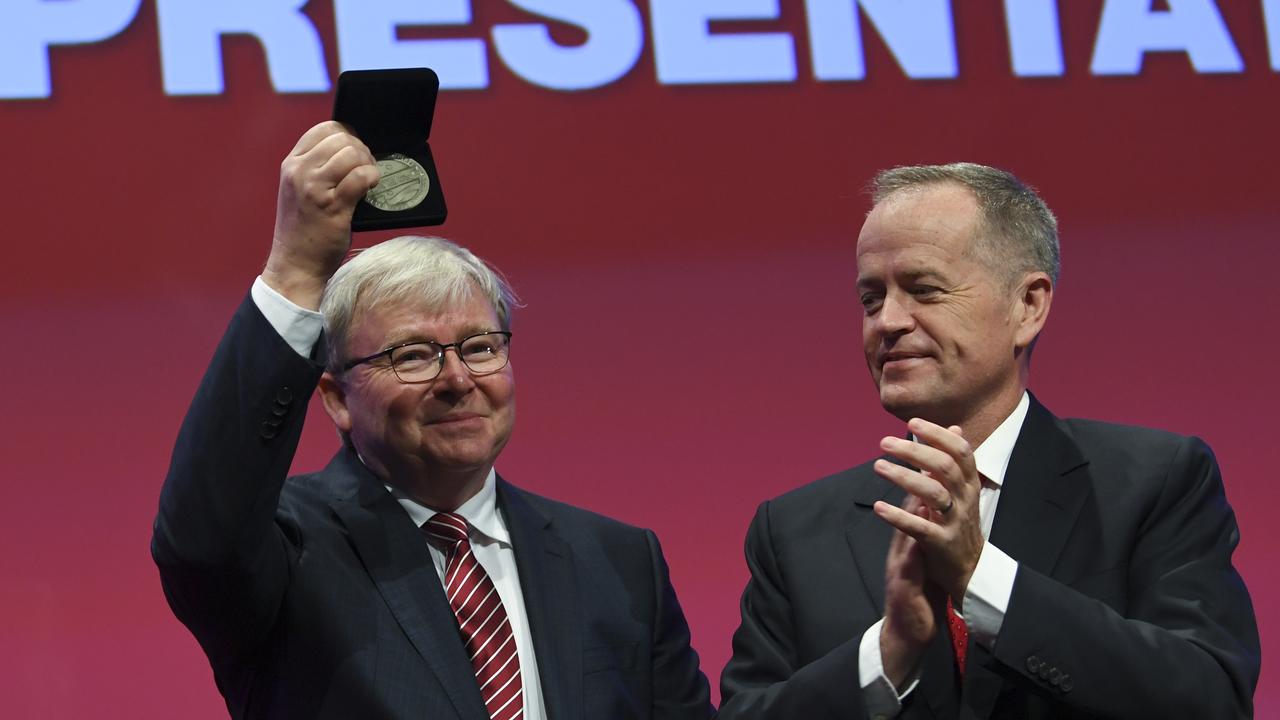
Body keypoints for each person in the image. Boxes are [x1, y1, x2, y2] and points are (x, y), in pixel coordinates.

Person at [151, 121, 714, 720]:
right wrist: (295, 273)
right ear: (337, 398)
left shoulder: (619, 560)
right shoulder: (288, 550)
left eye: (480, 347)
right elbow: (201, 542)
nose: (457, 379)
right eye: (412, 355)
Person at [717, 163, 1260, 719]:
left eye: (924, 290)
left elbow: (1209, 698)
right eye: (871, 299)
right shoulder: (795, 531)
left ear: (1028, 307)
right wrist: (887, 654)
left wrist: (982, 578)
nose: (888, 322)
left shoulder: (1151, 483)